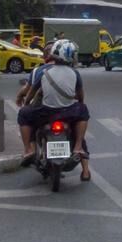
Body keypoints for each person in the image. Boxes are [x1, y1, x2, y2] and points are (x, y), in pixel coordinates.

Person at [18, 39, 91, 182]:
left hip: (46, 113)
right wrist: (77, 108)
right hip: (69, 113)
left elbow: (31, 94)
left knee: (23, 114)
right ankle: (77, 147)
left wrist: (27, 105)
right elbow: (81, 97)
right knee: (83, 110)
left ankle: (28, 149)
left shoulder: (44, 72)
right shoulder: (75, 74)